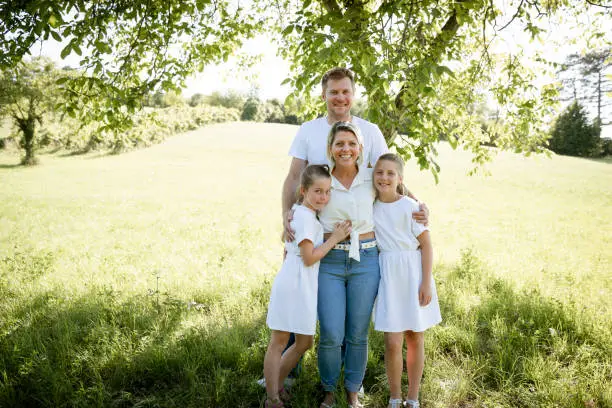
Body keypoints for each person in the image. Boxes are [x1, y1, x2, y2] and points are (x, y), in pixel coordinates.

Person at [264, 164, 352, 408]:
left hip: (304, 284)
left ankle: (276, 384)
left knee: (304, 342)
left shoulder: (304, 214)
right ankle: (271, 398)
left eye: (327, 192)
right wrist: (334, 239)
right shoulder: (303, 216)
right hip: (294, 281)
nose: (323, 197)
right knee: (280, 339)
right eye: (317, 191)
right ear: (303, 191)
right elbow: (309, 257)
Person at [372, 153, 442, 408]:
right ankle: (394, 396)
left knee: (415, 336)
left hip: (413, 274)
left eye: (391, 173)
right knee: (392, 341)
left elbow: (426, 246)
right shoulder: (372, 207)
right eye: (379, 172)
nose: (384, 177)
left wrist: (425, 283)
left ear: (400, 179)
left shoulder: (410, 207)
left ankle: (413, 397)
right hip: (389, 276)